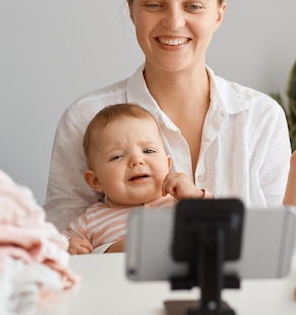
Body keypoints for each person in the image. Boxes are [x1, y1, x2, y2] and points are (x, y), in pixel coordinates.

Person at [44, 0, 296, 257]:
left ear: (219, 13)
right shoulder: (85, 118)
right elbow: (59, 255)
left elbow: (288, 261)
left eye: (193, 6)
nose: (174, 22)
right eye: (153, 4)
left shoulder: (260, 117)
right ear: (132, 8)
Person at [65, 103, 212, 255]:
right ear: (96, 181)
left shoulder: (181, 204)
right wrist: (67, 248)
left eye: (148, 151)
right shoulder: (90, 221)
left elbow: (219, 226)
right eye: (117, 156)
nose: (136, 160)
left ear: (167, 165)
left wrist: (194, 197)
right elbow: (51, 248)